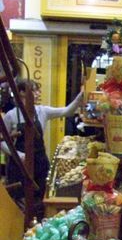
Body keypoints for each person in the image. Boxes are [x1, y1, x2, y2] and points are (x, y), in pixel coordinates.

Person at [1, 80, 83, 219]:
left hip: (39, 163)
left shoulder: (42, 111)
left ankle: (37, 226)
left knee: (40, 199)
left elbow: (67, 111)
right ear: (22, 93)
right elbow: (2, 142)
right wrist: (19, 154)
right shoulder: (11, 115)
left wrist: (81, 95)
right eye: (34, 90)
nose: (38, 93)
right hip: (19, 166)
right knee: (21, 201)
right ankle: (21, 230)